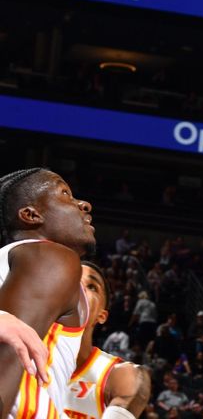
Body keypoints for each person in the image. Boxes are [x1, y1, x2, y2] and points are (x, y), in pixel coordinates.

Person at [0, 168, 95, 418]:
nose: (84, 205)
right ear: (31, 215)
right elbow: (8, 360)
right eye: (65, 193)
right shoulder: (50, 257)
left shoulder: (16, 261)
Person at [64, 261, 151, 419]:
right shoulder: (14, 352)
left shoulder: (119, 375)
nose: (80, 287)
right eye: (72, 280)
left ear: (101, 316)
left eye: (92, 286)